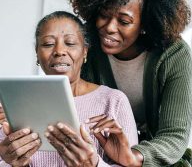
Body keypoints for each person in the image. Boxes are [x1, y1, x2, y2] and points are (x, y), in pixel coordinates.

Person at [69, 0, 192, 166]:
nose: (109, 27)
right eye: (104, 15)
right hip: (101, 153)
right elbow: (72, 104)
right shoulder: (87, 46)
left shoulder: (174, 54)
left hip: (153, 155)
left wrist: (133, 156)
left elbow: (175, 134)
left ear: (144, 25)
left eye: (124, 21)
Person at [0, 11, 138, 167]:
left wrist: (93, 164)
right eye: (48, 44)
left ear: (85, 51)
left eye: (70, 43)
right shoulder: (13, 103)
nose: (59, 51)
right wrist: (10, 163)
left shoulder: (114, 100)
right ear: (37, 54)